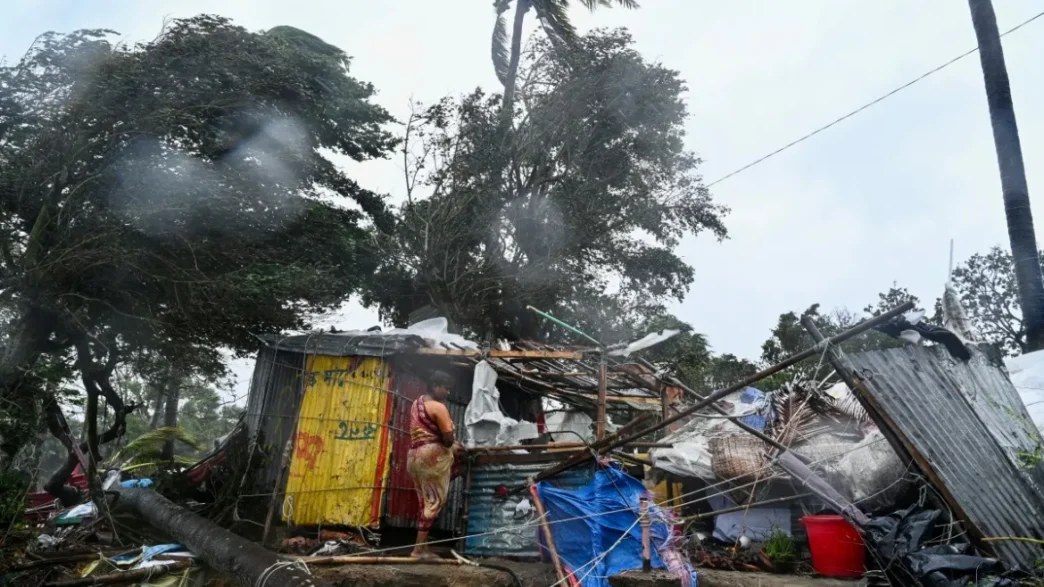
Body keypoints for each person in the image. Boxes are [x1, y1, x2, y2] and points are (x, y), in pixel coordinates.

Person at [406, 369, 463, 558]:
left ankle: (422, 546)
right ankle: (418, 550)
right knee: (434, 502)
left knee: (425, 503)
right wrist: (454, 443)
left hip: (414, 456)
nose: (448, 392)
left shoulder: (416, 403)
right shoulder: (438, 408)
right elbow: (447, 440)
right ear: (435, 386)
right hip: (432, 457)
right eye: (445, 388)